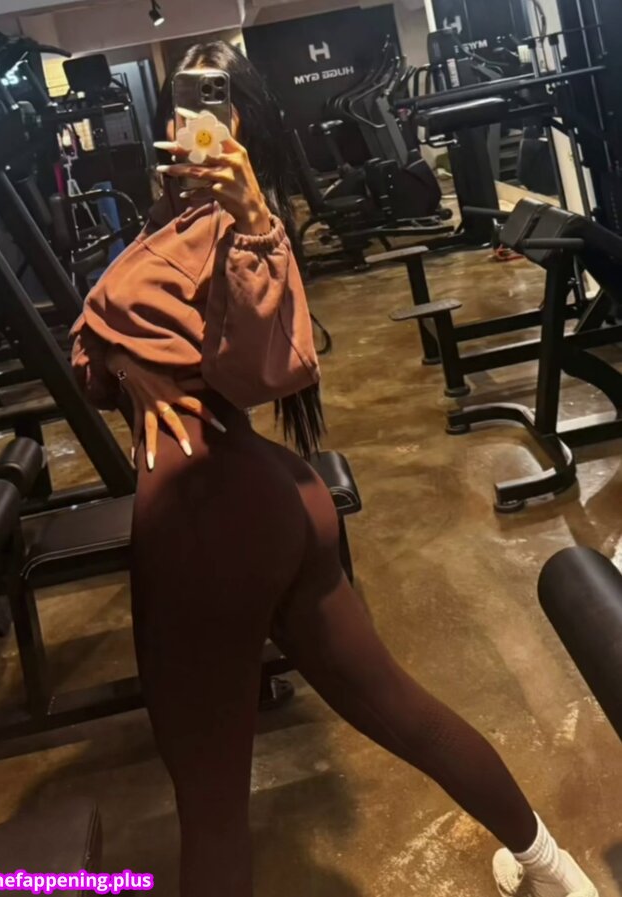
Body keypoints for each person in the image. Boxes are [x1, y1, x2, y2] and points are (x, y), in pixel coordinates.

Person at [71, 40, 598, 897]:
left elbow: (268, 367)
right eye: (178, 106)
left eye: (211, 106)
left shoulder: (242, 230)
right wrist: (133, 368)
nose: (189, 123)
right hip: (272, 496)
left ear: (242, 125)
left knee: (209, 809)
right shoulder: (173, 223)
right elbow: (100, 357)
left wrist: (252, 227)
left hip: (205, 513)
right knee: (399, 708)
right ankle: (554, 870)